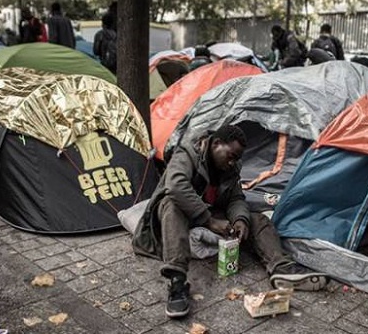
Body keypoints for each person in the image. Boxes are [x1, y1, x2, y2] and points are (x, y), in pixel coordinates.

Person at [132, 124, 329, 319]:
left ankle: (281, 268)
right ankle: (177, 281)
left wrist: (240, 219)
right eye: (231, 156)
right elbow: (175, 187)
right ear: (216, 143)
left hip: (208, 213)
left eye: (237, 159)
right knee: (172, 204)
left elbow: (235, 198)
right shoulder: (187, 153)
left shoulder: (230, 168)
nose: (232, 163)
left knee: (257, 219)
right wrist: (208, 220)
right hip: (180, 212)